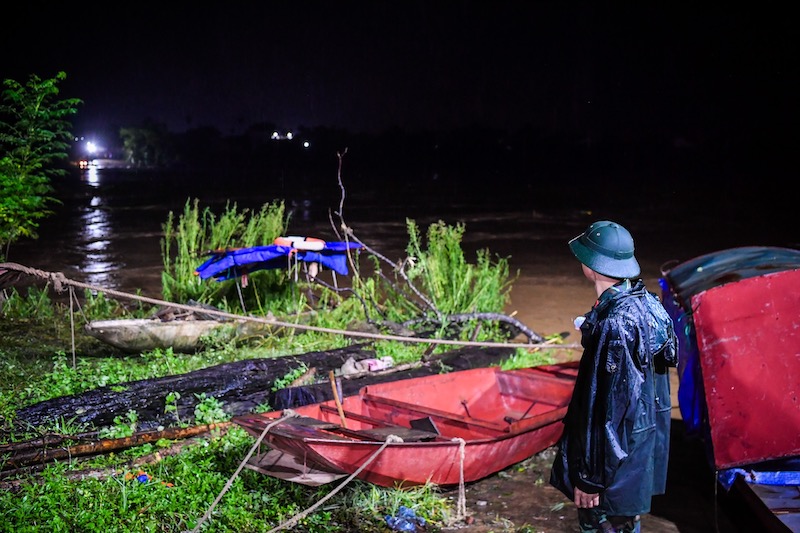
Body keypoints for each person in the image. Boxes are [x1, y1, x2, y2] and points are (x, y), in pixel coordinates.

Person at [550, 220, 678, 533]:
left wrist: (591, 479)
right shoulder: (648, 304)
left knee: (605, 524)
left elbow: (610, 411)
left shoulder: (617, 324)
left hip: (613, 470)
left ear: (591, 267)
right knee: (627, 522)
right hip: (636, 459)